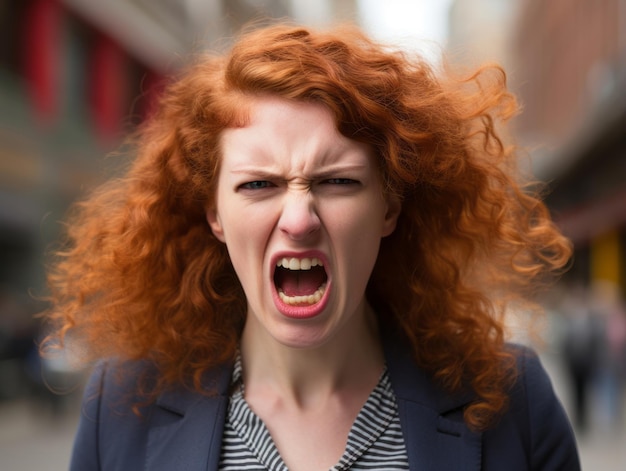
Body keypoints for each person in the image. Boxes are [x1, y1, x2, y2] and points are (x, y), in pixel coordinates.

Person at [42, 22, 580, 470]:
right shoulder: (120, 405)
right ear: (214, 214)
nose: (299, 219)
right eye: (258, 184)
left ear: (389, 209)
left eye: (338, 181)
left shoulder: (514, 401)